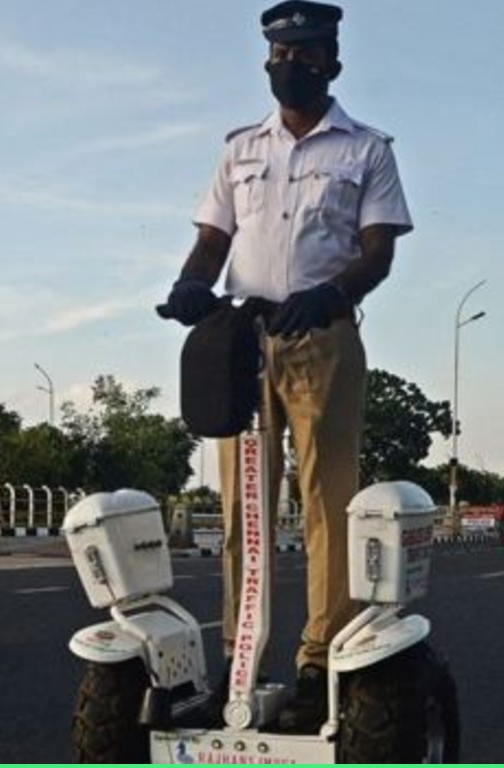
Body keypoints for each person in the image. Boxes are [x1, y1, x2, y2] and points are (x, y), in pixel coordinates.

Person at [160, 0, 413, 733]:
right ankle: (242, 663)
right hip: (245, 342)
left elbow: (378, 253)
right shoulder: (240, 148)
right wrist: (189, 284)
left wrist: (332, 293)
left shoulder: (366, 149)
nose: (288, 66)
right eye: (277, 55)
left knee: (327, 503)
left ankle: (315, 665)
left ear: (331, 62)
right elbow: (213, 239)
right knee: (244, 515)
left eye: (303, 55)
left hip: (322, 338)